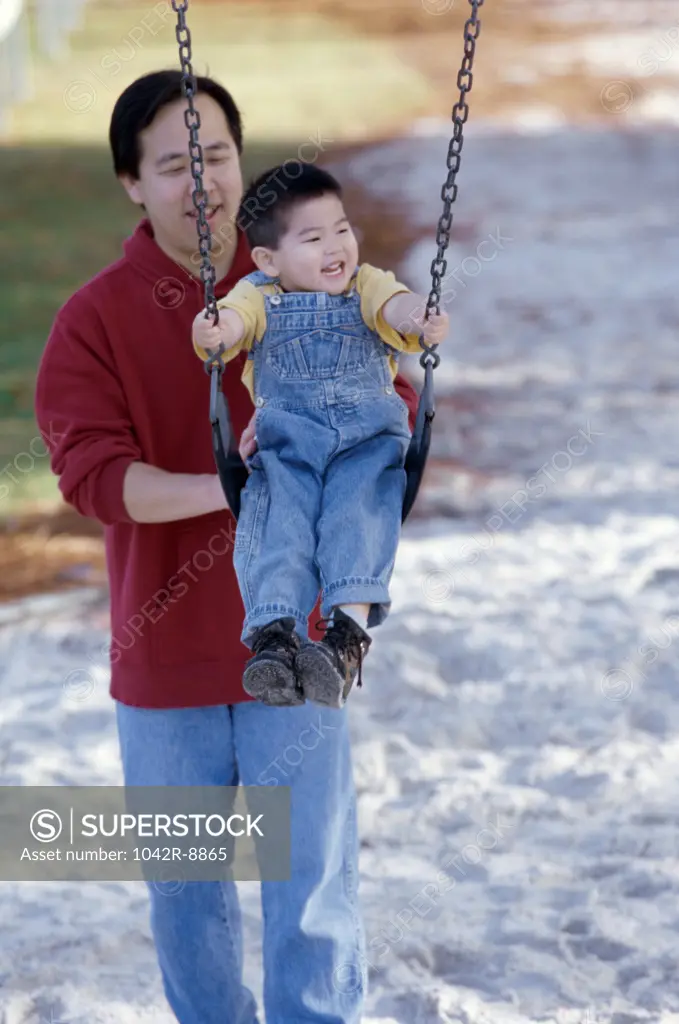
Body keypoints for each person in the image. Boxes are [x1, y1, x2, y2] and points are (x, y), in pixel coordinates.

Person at [34, 70, 421, 1024]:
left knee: (309, 890)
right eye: (173, 165)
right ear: (132, 182)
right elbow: (93, 479)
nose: (199, 181)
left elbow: (384, 420)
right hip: (163, 656)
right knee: (188, 895)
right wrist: (238, 488)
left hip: (299, 643)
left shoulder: (317, 286)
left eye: (215, 157)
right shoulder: (96, 316)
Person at [193, 164, 448, 709]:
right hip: (289, 446)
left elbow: (396, 306)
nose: (336, 246)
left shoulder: (366, 286)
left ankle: (344, 640)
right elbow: (233, 322)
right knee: (275, 521)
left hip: (367, 443)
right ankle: (273, 637)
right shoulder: (256, 295)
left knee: (358, 517)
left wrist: (418, 316)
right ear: (268, 260)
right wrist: (215, 331)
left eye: (342, 228)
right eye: (313, 238)